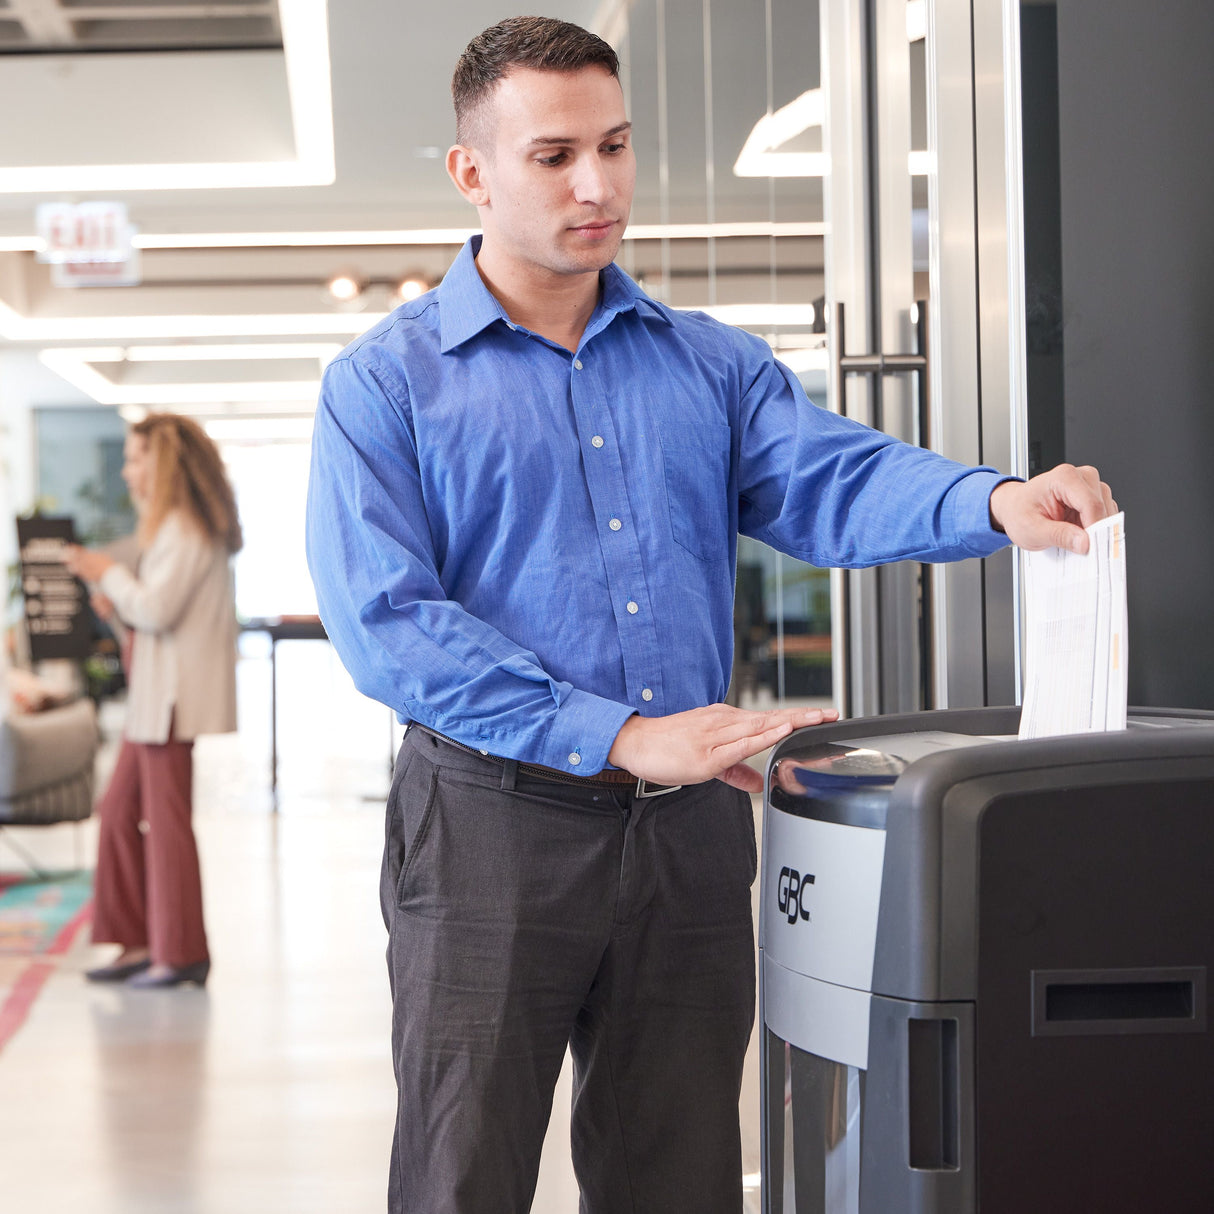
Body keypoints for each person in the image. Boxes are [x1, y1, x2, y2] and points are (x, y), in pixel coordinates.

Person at [305, 16, 1115, 1214]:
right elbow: (389, 621)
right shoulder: (384, 384)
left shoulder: (706, 365)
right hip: (486, 826)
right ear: (470, 172)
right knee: (460, 1168)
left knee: (675, 1172)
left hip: (686, 837)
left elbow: (828, 477)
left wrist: (993, 498)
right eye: (554, 155)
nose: (599, 185)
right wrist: (622, 734)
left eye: (617, 145)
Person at [65, 413, 241, 989]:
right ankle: (141, 941)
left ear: (161, 463)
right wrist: (121, 608)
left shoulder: (186, 530)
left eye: (136, 458)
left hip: (168, 705)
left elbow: (157, 611)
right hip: (151, 700)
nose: (127, 470)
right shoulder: (169, 531)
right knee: (117, 816)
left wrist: (110, 574)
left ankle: (180, 950)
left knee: (165, 827)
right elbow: (149, 623)